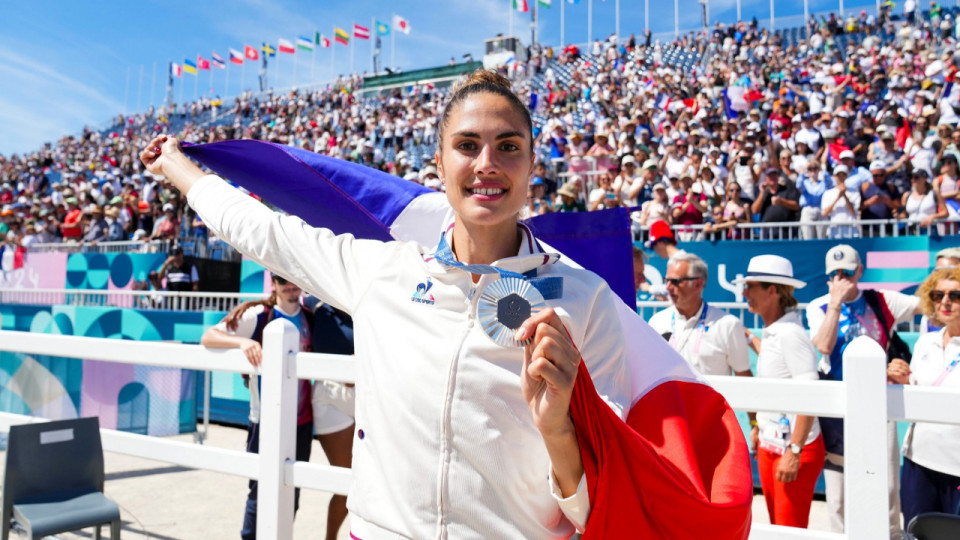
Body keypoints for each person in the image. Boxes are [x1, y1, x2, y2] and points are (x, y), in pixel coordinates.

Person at [143, 70, 750, 539]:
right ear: (440, 164)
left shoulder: (584, 299)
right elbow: (263, 230)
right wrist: (178, 167)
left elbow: (599, 499)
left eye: (508, 146)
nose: (487, 164)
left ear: (532, 165)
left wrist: (559, 426)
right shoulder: (381, 271)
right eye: (467, 145)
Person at [806, 244, 921, 538]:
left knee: (887, 486)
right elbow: (823, 346)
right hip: (838, 408)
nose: (841, 278)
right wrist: (835, 303)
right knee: (840, 495)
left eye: (847, 272)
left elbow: (925, 305)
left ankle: (891, 534)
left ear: (859, 271)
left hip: (880, 405)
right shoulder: (818, 306)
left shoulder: (880, 301)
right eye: (835, 273)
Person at [222, 293, 357, 540]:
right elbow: (286, 295)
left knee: (295, 490)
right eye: (281, 280)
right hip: (326, 399)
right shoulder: (316, 304)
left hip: (365, 398)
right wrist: (250, 306)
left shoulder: (368, 297)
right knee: (345, 480)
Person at [201, 273, 316, 540]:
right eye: (282, 278)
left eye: (294, 278)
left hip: (301, 423)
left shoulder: (309, 316)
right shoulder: (258, 316)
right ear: (273, 283)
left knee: (292, 491)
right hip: (265, 420)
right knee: (259, 491)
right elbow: (209, 336)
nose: (290, 284)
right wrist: (244, 341)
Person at [738, 255, 825, 528]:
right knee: (778, 527)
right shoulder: (779, 330)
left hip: (793, 448)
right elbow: (778, 365)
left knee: (788, 529)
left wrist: (795, 451)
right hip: (772, 443)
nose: (744, 293)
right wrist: (751, 340)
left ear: (772, 291)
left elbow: (810, 395)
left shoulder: (790, 333)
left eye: (751, 286)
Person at [895, 267, 960, 526]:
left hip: (956, 465)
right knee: (916, 531)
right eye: (937, 295)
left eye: (955, 295)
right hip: (918, 460)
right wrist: (903, 379)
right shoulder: (925, 342)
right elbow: (919, 385)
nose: (944, 301)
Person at [648, 253, 755, 379]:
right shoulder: (657, 321)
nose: (668, 287)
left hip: (710, 398)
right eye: (667, 280)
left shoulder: (728, 324)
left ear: (698, 284)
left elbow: (744, 378)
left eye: (675, 281)